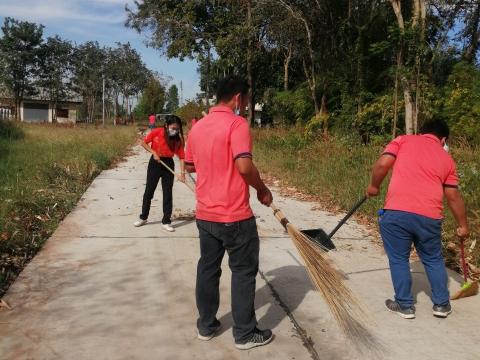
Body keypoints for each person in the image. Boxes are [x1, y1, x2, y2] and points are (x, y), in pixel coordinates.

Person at [185, 75, 274, 350]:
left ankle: (206, 326)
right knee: (244, 272)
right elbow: (244, 166)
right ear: (237, 98)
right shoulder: (237, 124)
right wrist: (262, 189)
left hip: (205, 216)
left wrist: (212, 167)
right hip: (235, 217)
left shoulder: (198, 128)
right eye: (245, 100)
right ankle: (246, 334)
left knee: (208, 269)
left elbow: (189, 166)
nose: (245, 105)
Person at [366, 118, 469, 319]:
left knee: (398, 259)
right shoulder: (447, 159)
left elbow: (382, 164)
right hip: (429, 218)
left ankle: (404, 305)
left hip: (396, 214)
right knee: (432, 259)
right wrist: (463, 226)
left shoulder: (403, 140)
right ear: (443, 139)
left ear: (423, 132)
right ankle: (441, 305)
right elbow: (453, 196)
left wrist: (374, 187)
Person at [134, 115, 186, 232]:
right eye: (173, 128)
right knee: (149, 191)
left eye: (177, 129)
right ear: (166, 126)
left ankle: (166, 221)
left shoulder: (177, 139)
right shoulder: (157, 132)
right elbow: (144, 143)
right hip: (155, 163)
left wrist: (182, 173)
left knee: (168, 193)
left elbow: (182, 156)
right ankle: (143, 217)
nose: (175, 131)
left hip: (168, 164)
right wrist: (153, 152)